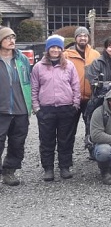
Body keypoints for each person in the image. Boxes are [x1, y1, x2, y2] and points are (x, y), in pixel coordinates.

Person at [31, 35, 81, 181]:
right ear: (47, 49)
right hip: (46, 109)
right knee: (46, 140)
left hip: (66, 108)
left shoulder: (69, 66)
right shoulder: (38, 67)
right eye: (52, 47)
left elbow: (75, 86)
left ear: (62, 49)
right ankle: (48, 168)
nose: (55, 50)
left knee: (65, 140)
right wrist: (36, 108)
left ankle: (65, 167)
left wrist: (75, 104)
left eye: (58, 47)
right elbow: (34, 88)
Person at [0, 27, 32, 186]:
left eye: (13, 38)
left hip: (21, 109)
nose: (12, 41)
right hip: (1, 110)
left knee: (17, 143)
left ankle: (9, 171)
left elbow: (30, 82)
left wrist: (31, 106)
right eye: (7, 38)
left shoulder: (22, 59)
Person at [65, 26, 101, 153]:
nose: (83, 38)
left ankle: (93, 151)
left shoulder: (95, 54)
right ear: (75, 38)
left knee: (91, 125)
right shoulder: (66, 55)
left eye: (85, 35)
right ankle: (67, 154)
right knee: (69, 128)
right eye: (80, 35)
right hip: (72, 98)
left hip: (91, 98)